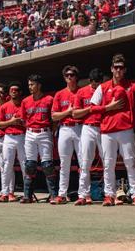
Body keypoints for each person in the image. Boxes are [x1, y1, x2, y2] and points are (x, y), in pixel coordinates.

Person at [90, 54, 135, 206]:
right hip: (107, 131)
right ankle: (109, 195)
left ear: (124, 70)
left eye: (121, 68)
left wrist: (131, 121)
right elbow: (93, 109)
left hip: (126, 130)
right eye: (116, 67)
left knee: (130, 162)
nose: (118, 70)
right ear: (111, 69)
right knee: (108, 164)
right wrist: (109, 107)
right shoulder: (103, 87)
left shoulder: (132, 87)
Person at [20, 74, 58, 204]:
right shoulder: (25, 101)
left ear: (39, 85)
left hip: (44, 132)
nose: (30, 87)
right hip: (30, 133)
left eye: (32, 84)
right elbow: (23, 120)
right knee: (30, 164)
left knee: (47, 165)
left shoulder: (49, 99)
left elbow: (54, 119)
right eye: (29, 84)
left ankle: (53, 195)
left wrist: (51, 131)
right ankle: (27, 195)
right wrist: (30, 129)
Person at [72, 68, 104, 205]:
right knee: (85, 162)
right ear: (90, 81)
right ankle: (83, 195)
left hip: (103, 127)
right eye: (94, 82)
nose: (96, 84)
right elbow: (75, 114)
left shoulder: (105, 90)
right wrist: (89, 109)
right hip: (88, 127)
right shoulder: (82, 91)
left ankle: (110, 194)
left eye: (99, 82)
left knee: (107, 161)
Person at [51, 66, 82, 205]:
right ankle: (62, 194)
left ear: (76, 77)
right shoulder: (59, 94)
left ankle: (83, 194)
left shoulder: (82, 92)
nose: (70, 77)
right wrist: (68, 112)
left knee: (83, 162)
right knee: (64, 163)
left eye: (72, 75)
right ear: (64, 77)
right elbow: (54, 116)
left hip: (80, 127)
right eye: (67, 75)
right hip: (64, 128)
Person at [0, 81, 27, 202]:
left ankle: (27, 192)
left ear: (20, 92)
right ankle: (5, 193)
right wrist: (11, 122)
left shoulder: (24, 105)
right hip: (8, 136)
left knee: (24, 164)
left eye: (16, 90)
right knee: (6, 165)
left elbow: (29, 121)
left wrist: (22, 122)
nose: (13, 92)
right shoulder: (4, 106)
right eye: (11, 90)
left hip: (22, 136)